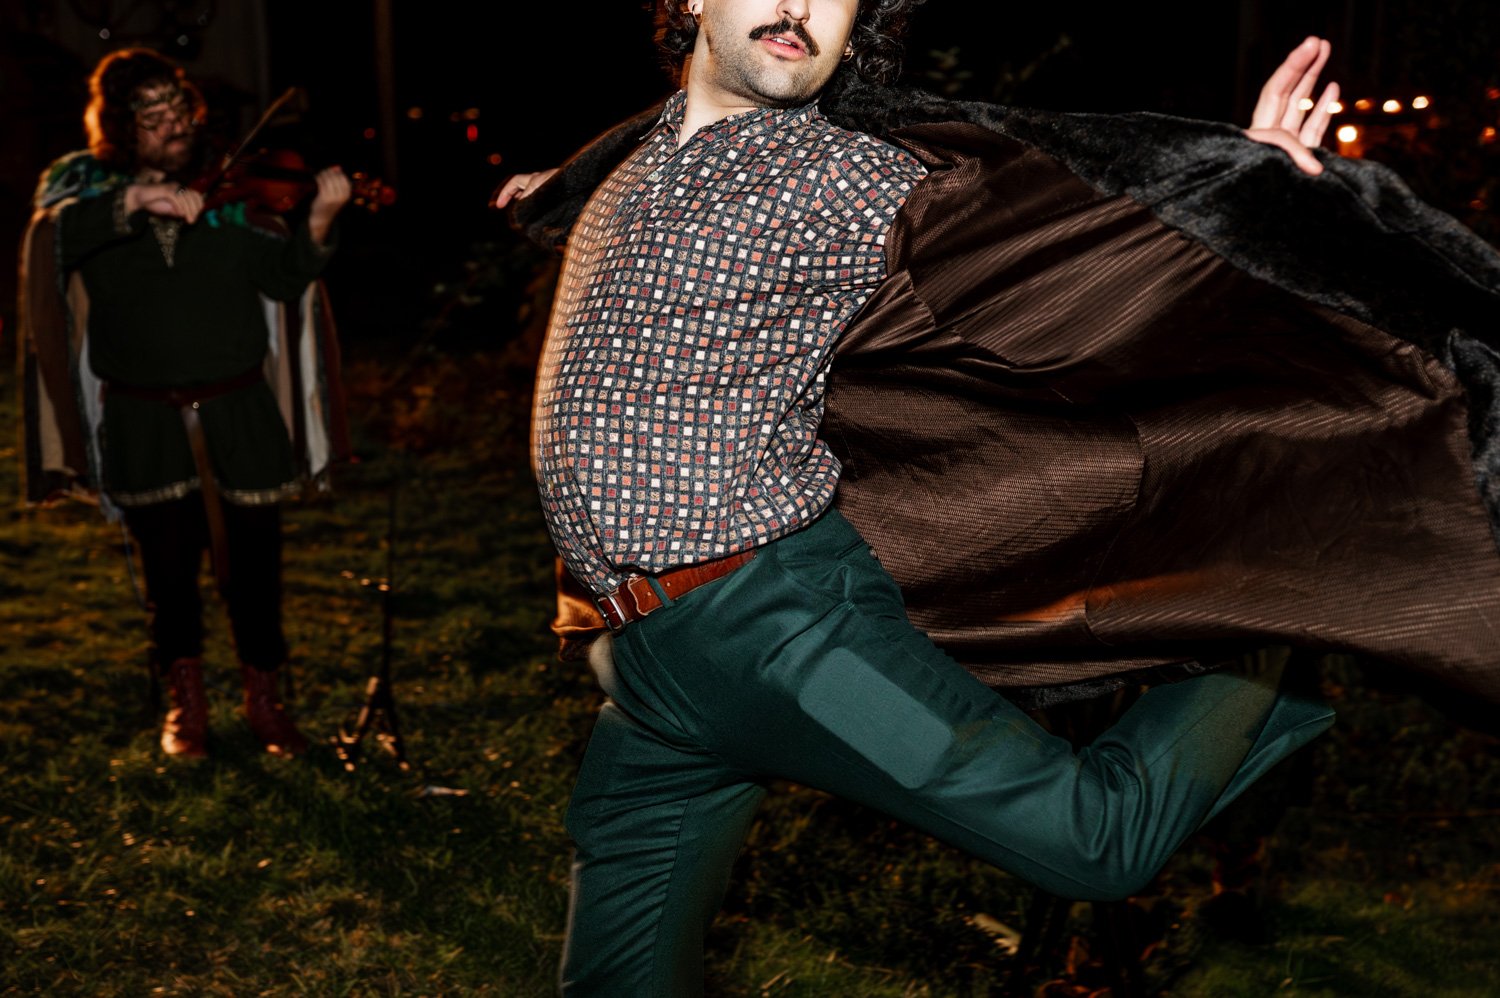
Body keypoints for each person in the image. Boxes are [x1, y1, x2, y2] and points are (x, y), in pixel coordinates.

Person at [487, 3, 1478, 993]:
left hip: (779, 640)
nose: (799, 6)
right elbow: (616, 198)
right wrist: (557, 195)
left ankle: (1266, 637)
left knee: (1094, 839)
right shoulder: (642, 156)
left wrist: (1236, 181)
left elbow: (1065, 221)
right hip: (642, 662)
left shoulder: (844, 171)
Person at [16, 48, 352, 759]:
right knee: (169, 577)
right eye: (152, 117)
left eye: (179, 111)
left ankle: (265, 703)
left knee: (256, 571)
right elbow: (50, 241)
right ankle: (186, 707)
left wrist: (318, 225)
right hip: (144, 422)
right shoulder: (84, 190)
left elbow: (283, 278)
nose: (173, 127)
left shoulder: (233, 197)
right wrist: (137, 200)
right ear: (119, 127)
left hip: (239, 413)